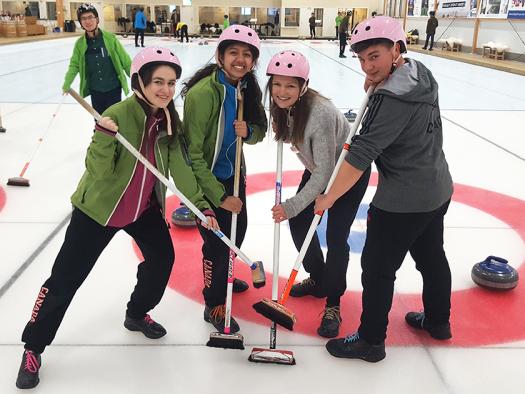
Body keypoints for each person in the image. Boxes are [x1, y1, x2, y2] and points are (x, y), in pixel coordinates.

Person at [16, 47, 218, 389]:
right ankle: (33, 346)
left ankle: (136, 312)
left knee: (162, 259)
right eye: (158, 81)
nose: (166, 90)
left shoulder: (168, 119)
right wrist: (103, 137)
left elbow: (180, 169)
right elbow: (97, 173)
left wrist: (201, 204)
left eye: (170, 82)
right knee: (65, 279)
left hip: (141, 210)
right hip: (99, 210)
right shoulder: (117, 114)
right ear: (139, 80)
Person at [315, 16, 453, 362]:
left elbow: (360, 153)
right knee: (432, 257)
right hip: (437, 188)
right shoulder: (420, 72)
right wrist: (377, 79)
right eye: (361, 59)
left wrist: (330, 197)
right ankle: (439, 322)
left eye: (374, 56)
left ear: (396, 49)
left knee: (377, 269)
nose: (367, 65)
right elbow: (394, 89)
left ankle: (371, 341)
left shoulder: (391, 101)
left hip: (402, 201)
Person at [267, 50, 370, 338]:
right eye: (277, 84)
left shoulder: (320, 113)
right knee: (299, 223)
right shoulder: (285, 105)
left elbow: (325, 176)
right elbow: (305, 148)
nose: (282, 91)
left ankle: (333, 302)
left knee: (336, 237)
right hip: (320, 168)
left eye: (290, 85)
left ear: (303, 86)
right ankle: (319, 278)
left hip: (346, 175)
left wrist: (292, 204)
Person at [181, 25, 267, 334]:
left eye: (247, 54)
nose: (240, 59)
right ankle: (214, 303)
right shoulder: (203, 94)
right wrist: (218, 197)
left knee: (236, 233)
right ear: (220, 55)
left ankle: (225, 272)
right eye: (233, 53)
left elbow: (262, 128)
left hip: (234, 177)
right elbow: (193, 156)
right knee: (216, 244)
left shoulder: (247, 88)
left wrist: (251, 131)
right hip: (207, 183)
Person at [62, 3, 132, 116]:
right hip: (95, 90)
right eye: (83, 18)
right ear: (80, 22)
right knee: (99, 121)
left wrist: (137, 81)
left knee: (114, 120)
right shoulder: (80, 44)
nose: (87, 21)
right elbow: (74, 65)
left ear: (97, 19)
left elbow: (126, 62)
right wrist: (67, 83)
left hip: (113, 88)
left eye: (90, 17)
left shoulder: (110, 39)